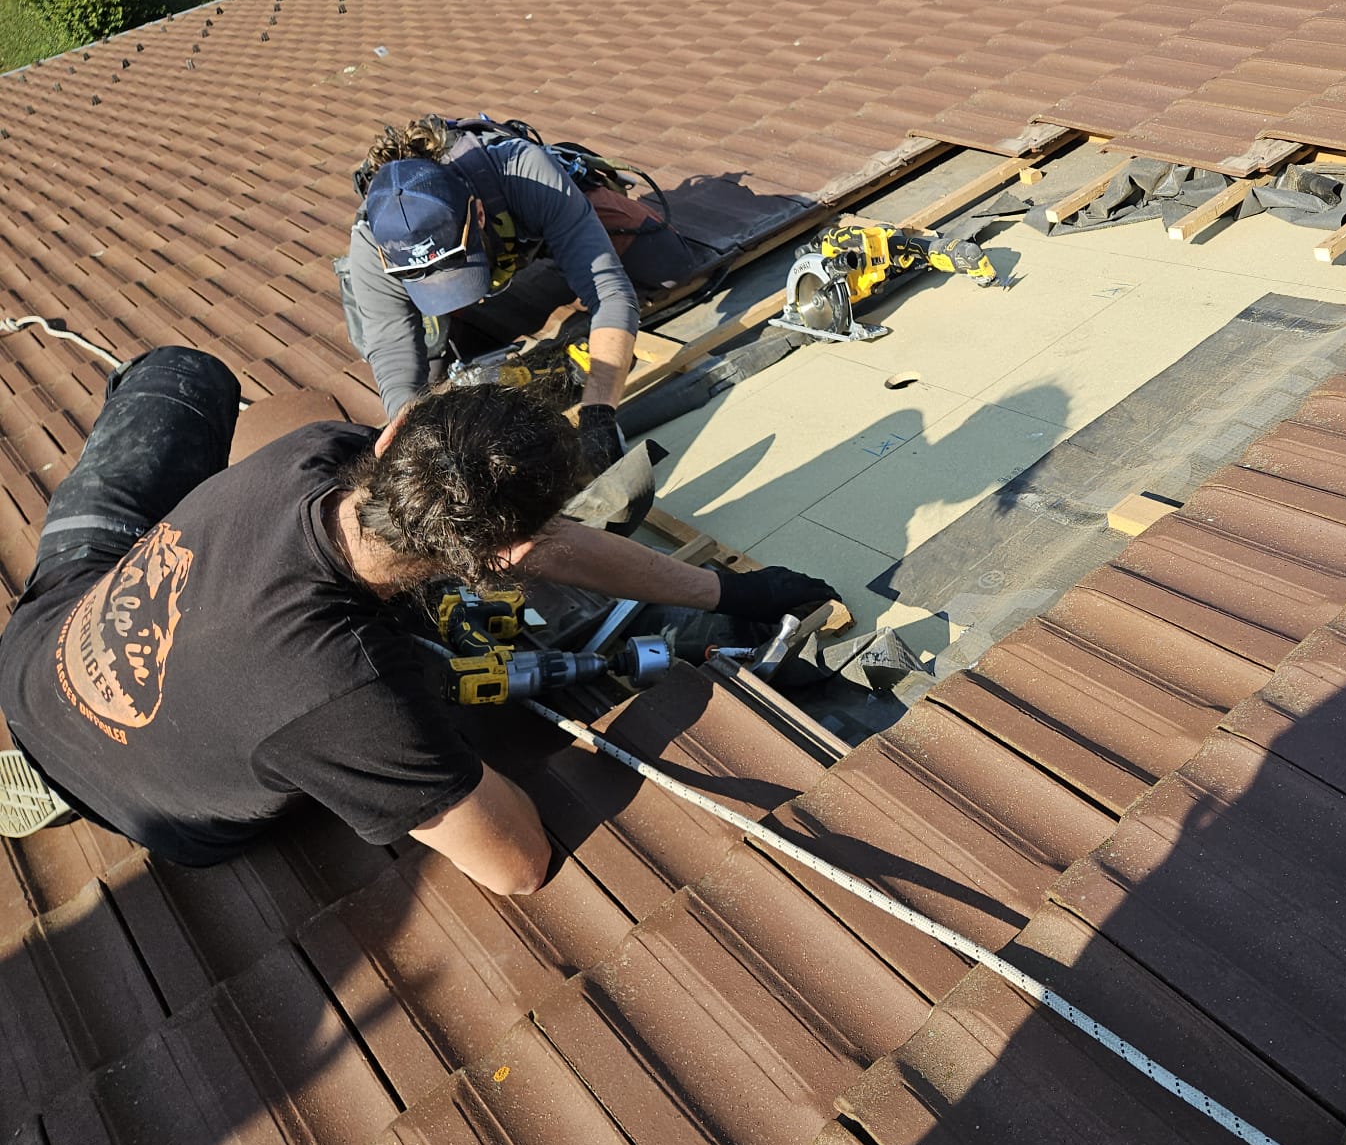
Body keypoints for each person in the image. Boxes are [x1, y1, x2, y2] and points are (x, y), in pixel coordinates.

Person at [0, 348, 837, 894]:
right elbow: (517, 866)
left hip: (46, 641)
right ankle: (74, 776)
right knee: (416, 681)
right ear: (504, 555)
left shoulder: (321, 450)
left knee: (182, 374)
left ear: (394, 431)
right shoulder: (349, 694)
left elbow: (550, 549)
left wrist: (724, 594)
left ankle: (80, 727)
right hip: (158, 806)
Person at [340, 117, 704, 473]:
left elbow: (609, 291)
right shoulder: (372, 243)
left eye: (452, 269)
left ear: (478, 213)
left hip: (531, 220)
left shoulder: (524, 172)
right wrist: (412, 434)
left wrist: (598, 413)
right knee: (431, 384)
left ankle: (566, 248)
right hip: (487, 250)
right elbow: (393, 355)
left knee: (668, 265)